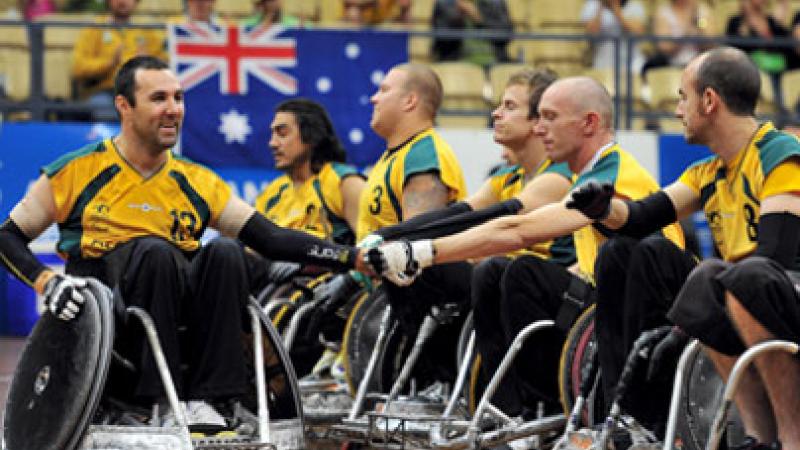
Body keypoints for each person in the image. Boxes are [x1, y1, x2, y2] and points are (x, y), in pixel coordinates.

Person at [0, 56, 375, 433]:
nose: (173, 110)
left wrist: (353, 257)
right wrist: (46, 281)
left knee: (227, 252)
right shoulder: (77, 171)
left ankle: (214, 400)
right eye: (159, 98)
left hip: (178, 314)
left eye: (179, 98)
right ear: (124, 106)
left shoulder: (196, 180)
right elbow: (6, 237)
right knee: (155, 252)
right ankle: (157, 401)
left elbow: (270, 238)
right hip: (112, 319)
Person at [367, 76, 684, 417]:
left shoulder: (611, 174)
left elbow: (516, 229)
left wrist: (423, 252)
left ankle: (546, 403)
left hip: (651, 308)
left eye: (549, 117)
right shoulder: (579, 173)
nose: (539, 127)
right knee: (496, 271)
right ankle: (504, 410)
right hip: (603, 300)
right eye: (537, 116)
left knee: (519, 271)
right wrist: (400, 239)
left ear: (589, 123)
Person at [566, 47, 800, 449]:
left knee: (725, 276)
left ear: (709, 102)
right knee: (622, 253)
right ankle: (636, 420)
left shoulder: (779, 153)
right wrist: (602, 207)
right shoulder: (706, 172)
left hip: (785, 287)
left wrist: (684, 320)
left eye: (682, 97)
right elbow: (638, 218)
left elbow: (775, 255)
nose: (677, 110)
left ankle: (791, 437)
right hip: (740, 288)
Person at [362, 67, 575, 417]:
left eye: (509, 106)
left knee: (468, 268)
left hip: (548, 290)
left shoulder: (559, 177)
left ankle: (480, 394)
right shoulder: (507, 176)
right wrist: (390, 238)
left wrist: (407, 242)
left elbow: (488, 221)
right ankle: (439, 382)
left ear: (538, 122)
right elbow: (457, 213)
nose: (496, 113)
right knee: (406, 263)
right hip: (503, 281)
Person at [357, 62, 469, 387]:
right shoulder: (393, 157)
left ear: (410, 101)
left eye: (384, 90)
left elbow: (417, 238)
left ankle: (435, 382)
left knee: (404, 257)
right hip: (386, 291)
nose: (374, 99)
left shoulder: (424, 154)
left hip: (428, 293)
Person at [249, 99, 365, 294]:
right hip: (269, 289)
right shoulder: (271, 195)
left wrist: (308, 264)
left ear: (311, 136)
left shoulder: (344, 183)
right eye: (272, 134)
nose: (272, 143)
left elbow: (371, 248)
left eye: (282, 133)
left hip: (323, 293)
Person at [71, 0, 166, 122]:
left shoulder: (147, 30)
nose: (122, 1)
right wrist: (109, 63)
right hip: (105, 91)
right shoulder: (94, 29)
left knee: (155, 110)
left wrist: (148, 63)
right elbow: (79, 67)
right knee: (103, 107)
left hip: (140, 91)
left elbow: (164, 64)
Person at [642, 0, 714, 79]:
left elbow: (712, 44)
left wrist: (700, 34)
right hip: (672, 66)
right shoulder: (663, 12)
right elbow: (665, 47)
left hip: (699, 66)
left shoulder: (702, 10)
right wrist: (687, 30)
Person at [431, 0, 513, 64]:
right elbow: (441, 42)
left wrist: (480, 19)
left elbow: (506, 36)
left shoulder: (495, 3)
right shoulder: (444, 4)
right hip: (457, 62)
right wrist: (458, 17)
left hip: (494, 62)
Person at [581, 0, 647, 75]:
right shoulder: (592, 5)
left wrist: (617, 11)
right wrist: (600, 8)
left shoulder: (634, 5)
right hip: (604, 61)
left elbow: (638, 31)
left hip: (633, 61)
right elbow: (592, 33)